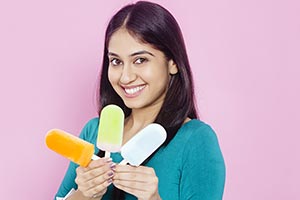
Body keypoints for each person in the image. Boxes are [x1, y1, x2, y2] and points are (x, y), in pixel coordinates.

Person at [55, 1, 225, 200]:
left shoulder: (195, 139)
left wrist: (153, 198)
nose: (125, 77)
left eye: (140, 60)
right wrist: (84, 194)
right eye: (116, 61)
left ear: (173, 63)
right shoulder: (94, 131)